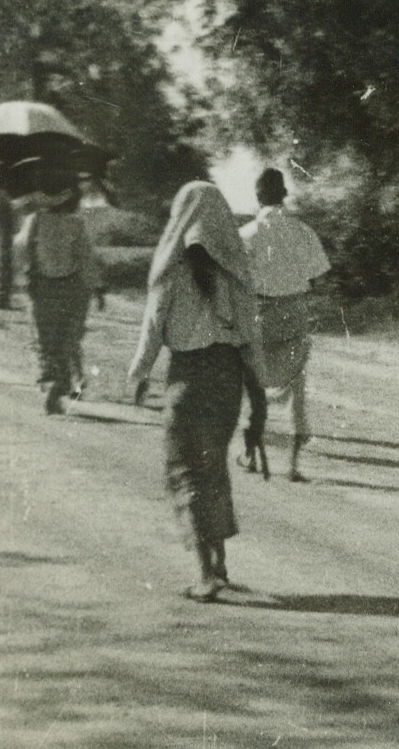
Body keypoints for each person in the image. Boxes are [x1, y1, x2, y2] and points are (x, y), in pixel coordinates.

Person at [128, 181, 264, 602]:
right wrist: (258, 393)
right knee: (212, 466)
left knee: (185, 470)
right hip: (228, 379)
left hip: (187, 378)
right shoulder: (236, 274)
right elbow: (251, 339)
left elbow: (153, 329)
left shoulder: (170, 272)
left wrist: (140, 374)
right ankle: (219, 564)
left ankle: (206, 574)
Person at [238, 168, 331, 483]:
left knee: (252, 384)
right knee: (296, 383)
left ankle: (251, 455)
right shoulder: (303, 232)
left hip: (257, 312)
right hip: (293, 310)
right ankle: (293, 465)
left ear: (258, 196)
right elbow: (317, 278)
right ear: (284, 195)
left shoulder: (246, 234)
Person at [15, 180, 100, 415]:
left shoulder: (34, 220)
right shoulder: (76, 223)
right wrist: (97, 287)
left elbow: (20, 249)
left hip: (42, 287)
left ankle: (53, 381)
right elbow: (87, 258)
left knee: (45, 340)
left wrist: (28, 271)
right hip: (72, 287)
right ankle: (60, 385)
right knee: (66, 339)